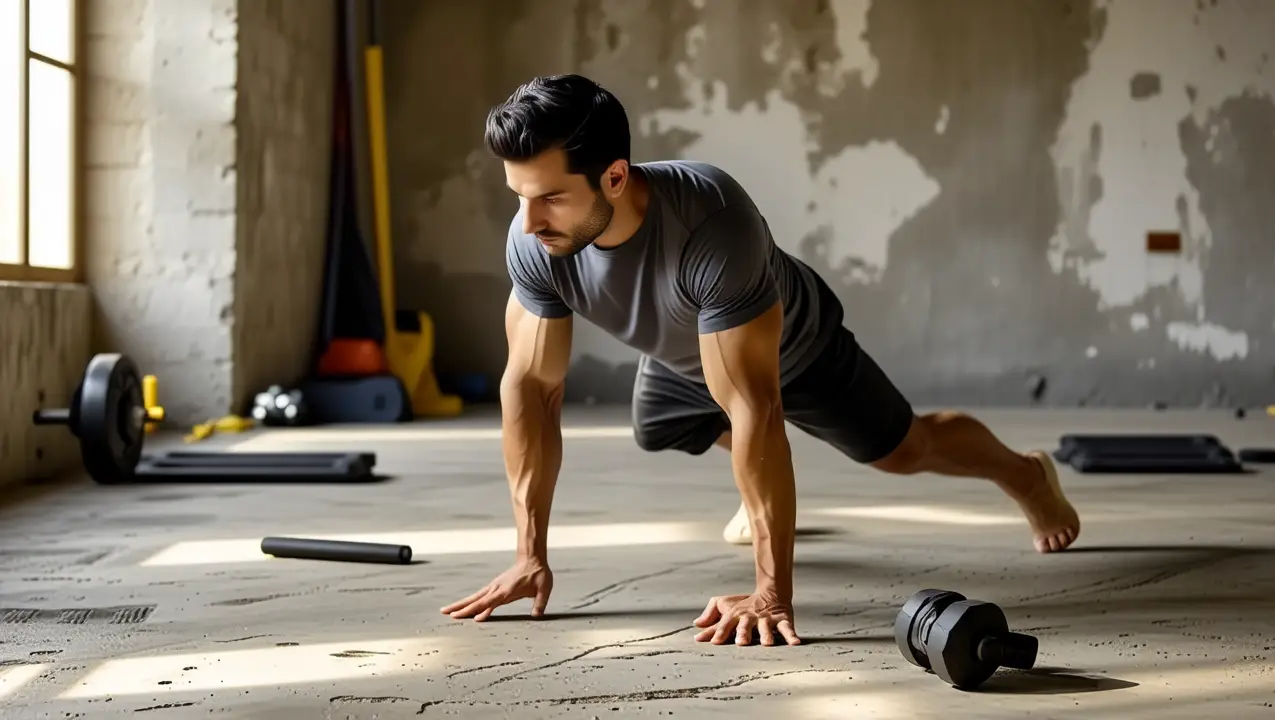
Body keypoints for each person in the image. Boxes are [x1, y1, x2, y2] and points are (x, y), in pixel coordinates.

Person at [439, 74, 1080, 647]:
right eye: (518, 196)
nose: (528, 222)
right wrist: (529, 554)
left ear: (614, 176)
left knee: (903, 450)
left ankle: (1024, 474)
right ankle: (758, 488)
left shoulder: (713, 224)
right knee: (659, 426)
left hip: (795, 350)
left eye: (550, 197)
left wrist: (771, 591)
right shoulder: (535, 241)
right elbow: (531, 389)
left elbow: (756, 406)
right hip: (680, 354)